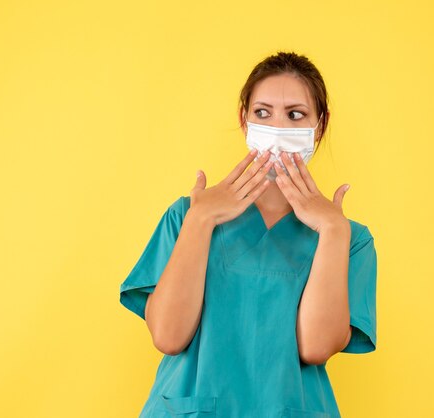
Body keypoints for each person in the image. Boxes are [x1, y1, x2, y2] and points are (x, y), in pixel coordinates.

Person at [119, 51, 378, 418]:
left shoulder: (350, 240)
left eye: (295, 114)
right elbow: (168, 336)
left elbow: (316, 346)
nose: (278, 126)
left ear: (319, 125)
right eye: (262, 112)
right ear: (244, 120)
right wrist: (201, 220)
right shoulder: (187, 216)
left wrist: (333, 229)